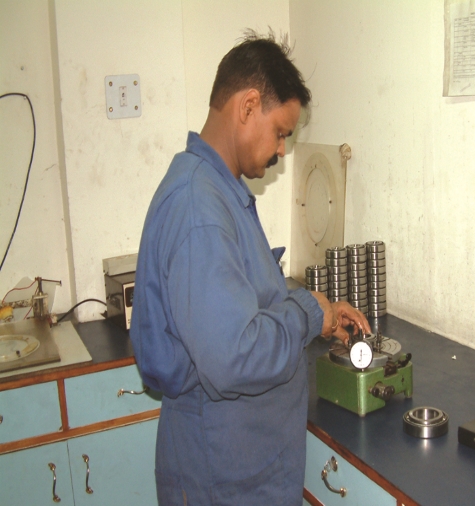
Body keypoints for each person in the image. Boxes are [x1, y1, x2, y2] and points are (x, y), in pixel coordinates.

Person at [130, 31, 370, 506]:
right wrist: (306, 314)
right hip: (223, 478)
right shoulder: (200, 208)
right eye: (281, 132)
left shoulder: (217, 191)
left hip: (243, 470)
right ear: (247, 106)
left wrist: (317, 311)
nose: (281, 150)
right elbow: (234, 357)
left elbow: (243, 303)